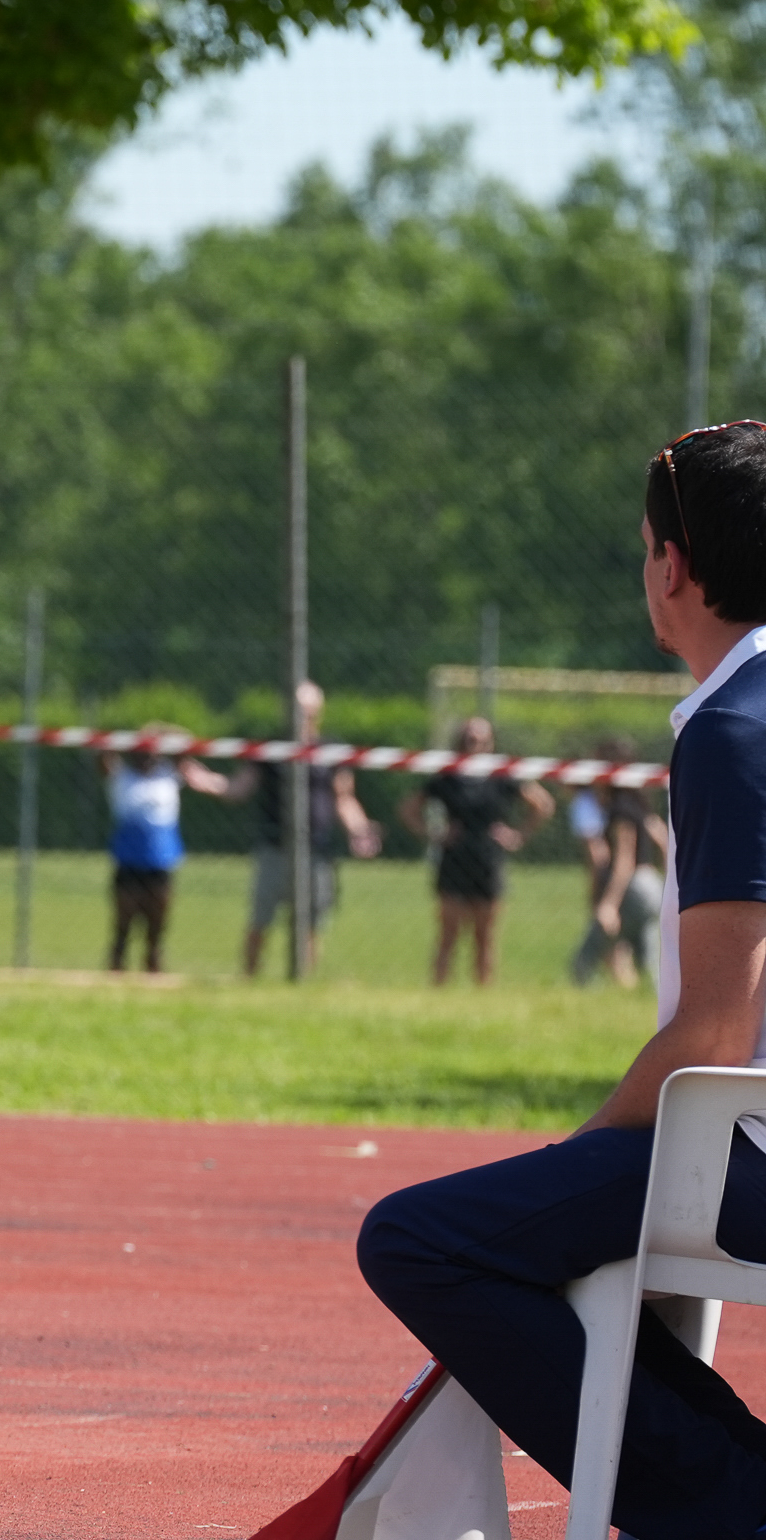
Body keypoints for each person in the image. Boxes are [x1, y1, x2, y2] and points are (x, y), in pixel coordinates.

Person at [360, 419, 766, 1536]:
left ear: (672, 566)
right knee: (547, 1222)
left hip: (750, 1149)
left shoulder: (735, 728)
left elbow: (714, 1035)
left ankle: (737, 1500)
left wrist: (583, 1146)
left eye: (644, 547)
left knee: (423, 1241)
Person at [210, 681, 381, 977]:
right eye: (295, 710)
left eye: (307, 712)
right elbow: (238, 788)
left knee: (311, 925)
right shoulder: (270, 747)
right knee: (260, 921)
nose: (301, 717)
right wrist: (201, 778)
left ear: (318, 713)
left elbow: (344, 798)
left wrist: (360, 829)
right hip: (275, 847)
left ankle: (302, 981)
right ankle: (248, 979)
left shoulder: (331, 749)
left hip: (317, 850)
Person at [398, 716, 553, 987]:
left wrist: (518, 834)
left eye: (481, 741)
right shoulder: (447, 777)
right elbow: (408, 809)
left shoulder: (502, 775)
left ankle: (483, 992)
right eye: (469, 740)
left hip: (488, 859)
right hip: (454, 859)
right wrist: (435, 834)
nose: (475, 746)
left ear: (491, 744)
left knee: (485, 936)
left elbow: (542, 805)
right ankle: (438, 991)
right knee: (448, 934)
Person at [104, 730, 211, 973]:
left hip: (160, 860)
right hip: (129, 860)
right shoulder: (122, 776)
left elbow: (185, 747)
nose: (147, 758)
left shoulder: (169, 774)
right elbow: (104, 756)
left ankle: (153, 966)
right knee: (124, 920)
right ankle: (116, 966)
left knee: (157, 921)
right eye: (142, 753)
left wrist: (160, 731)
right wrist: (125, 739)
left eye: (151, 753)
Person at [572, 734, 671, 988]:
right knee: (648, 962)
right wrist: (669, 885)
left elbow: (624, 860)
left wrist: (609, 904)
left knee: (584, 962)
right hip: (652, 884)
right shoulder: (641, 803)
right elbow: (663, 840)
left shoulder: (620, 809)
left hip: (633, 887)